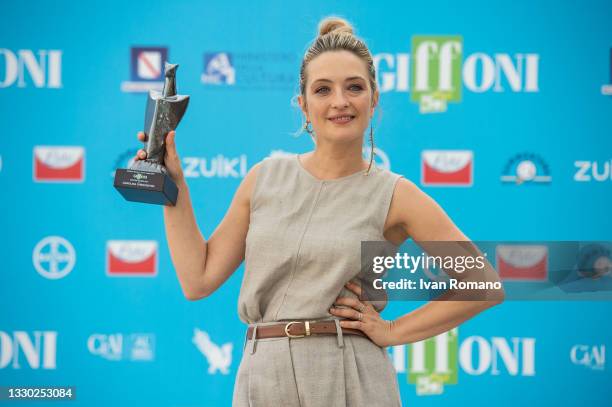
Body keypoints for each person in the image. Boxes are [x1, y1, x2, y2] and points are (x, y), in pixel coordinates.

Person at [134, 16, 504, 407]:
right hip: (262, 376)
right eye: (323, 89)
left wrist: (393, 330)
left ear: (374, 99)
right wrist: (173, 183)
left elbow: (483, 284)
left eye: (355, 87)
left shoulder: (396, 194)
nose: (340, 101)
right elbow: (198, 280)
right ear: (304, 105)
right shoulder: (265, 177)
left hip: (349, 374)